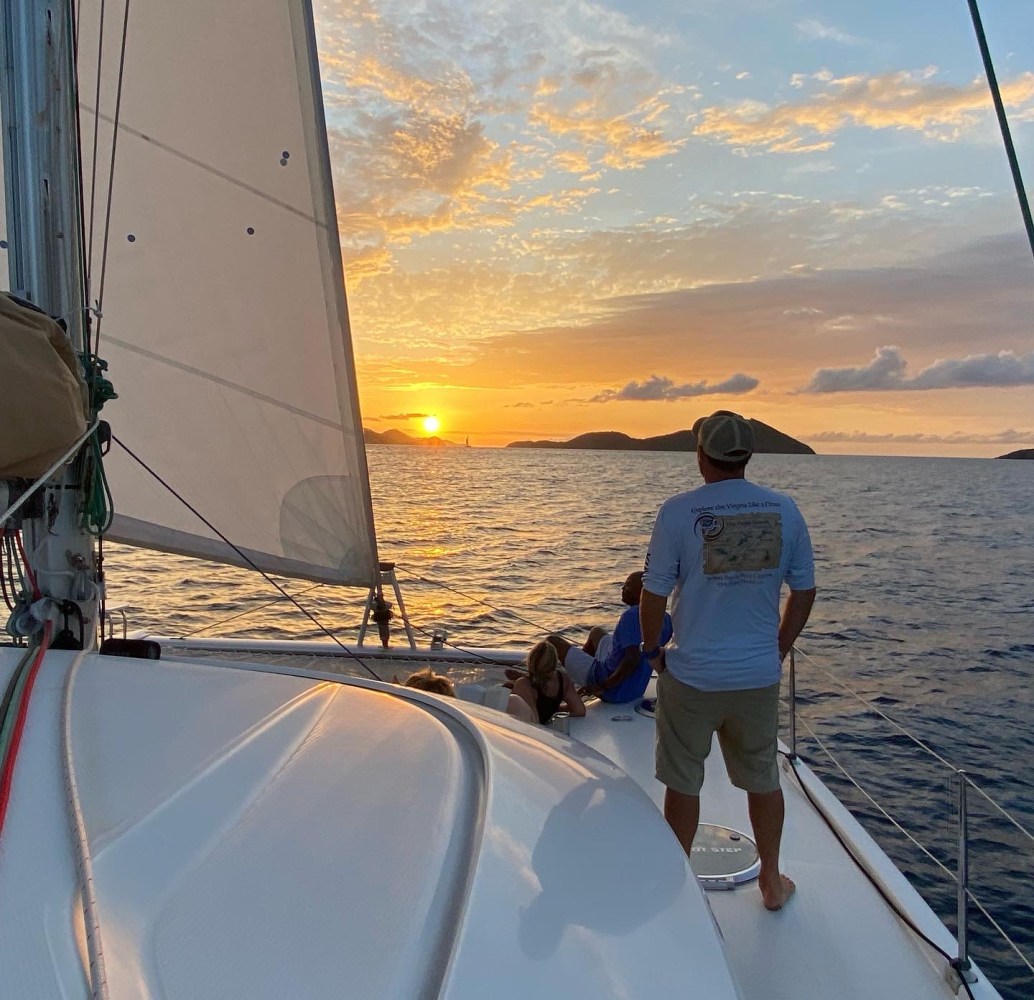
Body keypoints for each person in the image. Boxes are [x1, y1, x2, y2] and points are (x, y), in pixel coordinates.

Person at [639, 410, 816, 912]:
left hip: (691, 675)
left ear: (701, 456)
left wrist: (653, 652)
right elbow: (804, 591)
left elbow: (651, 598)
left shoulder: (677, 512)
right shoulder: (785, 509)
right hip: (756, 677)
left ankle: (676, 889)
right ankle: (771, 882)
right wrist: (777, 649)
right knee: (763, 778)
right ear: (748, 457)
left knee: (683, 781)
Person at [546, 572, 673, 703]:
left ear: (641, 592)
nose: (623, 588)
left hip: (613, 689)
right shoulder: (665, 619)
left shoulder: (630, 616)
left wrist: (602, 686)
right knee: (597, 633)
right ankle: (577, 674)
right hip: (635, 690)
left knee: (552, 642)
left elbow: (632, 659)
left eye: (628, 585)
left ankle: (566, 684)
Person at [513, 640, 587, 725]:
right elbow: (579, 711)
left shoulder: (524, 685)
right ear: (555, 661)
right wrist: (555, 709)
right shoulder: (562, 680)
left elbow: (533, 723)